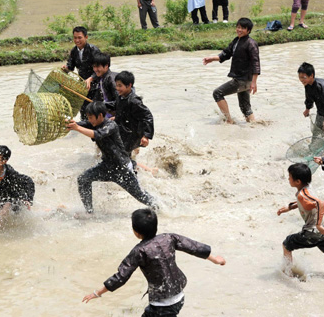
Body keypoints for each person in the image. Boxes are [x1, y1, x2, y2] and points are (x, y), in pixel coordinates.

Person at [82, 208, 226, 316]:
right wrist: (214, 259)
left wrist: (97, 293)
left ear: (136, 232)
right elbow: (193, 247)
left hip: (161, 306)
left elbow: (121, 277)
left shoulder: (139, 251)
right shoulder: (169, 238)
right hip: (179, 297)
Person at [66, 102, 157, 214]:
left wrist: (77, 128)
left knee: (141, 196)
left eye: (91, 117)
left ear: (100, 115)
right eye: (88, 118)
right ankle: (89, 212)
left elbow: (97, 134)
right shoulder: (93, 123)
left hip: (122, 169)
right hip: (106, 167)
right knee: (83, 179)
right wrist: (71, 125)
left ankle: (162, 208)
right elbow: (81, 124)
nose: (89, 120)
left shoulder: (111, 125)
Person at [277, 163, 324, 281]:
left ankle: (288, 275)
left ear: (297, 181)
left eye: (289, 177)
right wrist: (290, 207)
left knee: (287, 243)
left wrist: (318, 225)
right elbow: (308, 203)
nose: (288, 179)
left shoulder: (303, 194)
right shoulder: (307, 190)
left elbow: (320, 203)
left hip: (313, 232)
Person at [203, 17, 260, 123]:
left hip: (243, 80)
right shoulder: (236, 41)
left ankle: (228, 120)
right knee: (245, 108)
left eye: (243, 28)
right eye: (238, 27)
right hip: (244, 80)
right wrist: (212, 59)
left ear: (248, 30)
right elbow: (226, 54)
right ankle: (254, 126)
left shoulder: (251, 43)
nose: (239, 30)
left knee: (217, 93)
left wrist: (254, 82)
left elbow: (255, 63)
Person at [113, 71, 154, 154]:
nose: (117, 88)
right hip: (124, 129)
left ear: (129, 85)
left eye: (120, 86)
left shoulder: (134, 101)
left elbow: (148, 116)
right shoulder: (120, 96)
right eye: (116, 85)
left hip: (133, 132)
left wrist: (146, 136)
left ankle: (138, 165)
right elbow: (116, 106)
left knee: (123, 153)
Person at [86, 52, 118, 119]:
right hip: (106, 113)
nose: (95, 69)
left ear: (106, 66)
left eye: (97, 66)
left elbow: (119, 100)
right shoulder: (101, 77)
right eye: (94, 67)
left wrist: (117, 117)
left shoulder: (111, 80)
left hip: (113, 115)